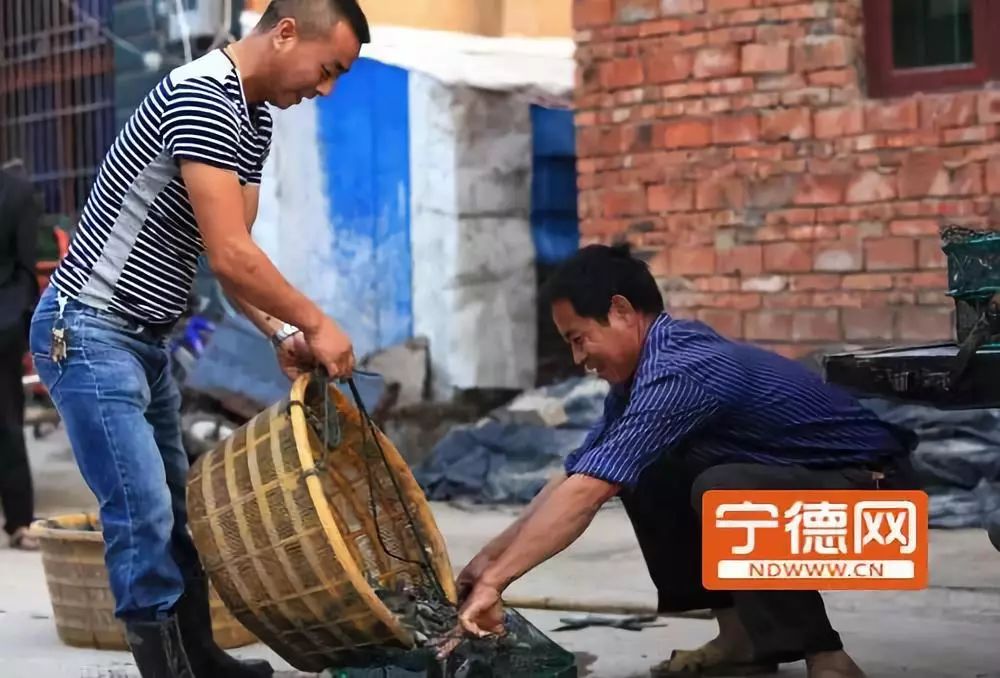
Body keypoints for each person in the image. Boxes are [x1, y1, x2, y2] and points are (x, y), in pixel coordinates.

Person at [28, 1, 369, 676]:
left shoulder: (254, 117)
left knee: (181, 512)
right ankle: (165, 669)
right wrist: (318, 322)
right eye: (326, 70)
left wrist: (277, 330)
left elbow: (233, 249)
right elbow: (232, 258)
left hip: (145, 342)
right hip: (88, 329)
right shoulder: (202, 97)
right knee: (141, 513)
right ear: (286, 31)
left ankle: (202, 659)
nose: (323, 89)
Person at [452, 244, 920, 678]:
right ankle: (741, 640)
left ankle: (827, 656)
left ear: (620, 310)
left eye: (580, 339)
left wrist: (498, 582)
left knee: (725, 489)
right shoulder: (638, 378)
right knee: (648, 471)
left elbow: (588, 493)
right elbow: (579, 474)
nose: (579, 359)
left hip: (879, 505)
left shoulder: (683, 369)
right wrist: (485, 564)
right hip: (824, 490)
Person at [0, 159, 41, 551]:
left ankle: (19, 521)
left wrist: (12, 323)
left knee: (7, 423)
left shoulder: (16, 193)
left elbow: (25, 269)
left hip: (1, 324)